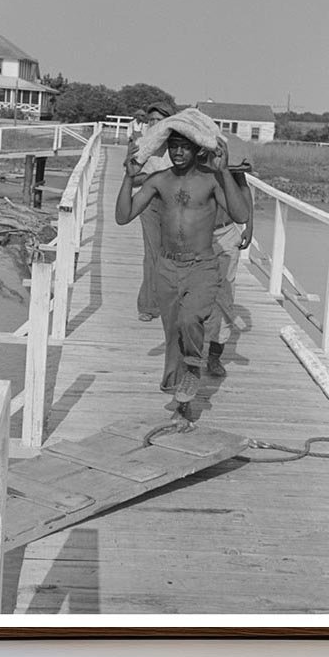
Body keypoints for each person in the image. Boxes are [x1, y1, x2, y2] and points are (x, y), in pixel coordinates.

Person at [115, 129, 250, 424]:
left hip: (201, 266)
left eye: (185, 147)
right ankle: (182, 403)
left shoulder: (211, 179)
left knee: (190, 320)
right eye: (173, 147)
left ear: (197, 149)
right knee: (173, 334)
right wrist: (128, 177)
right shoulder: (159, 180)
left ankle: (192, 368)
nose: (178, 153)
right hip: (167, 268)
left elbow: (240, 216)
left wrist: (224, 172)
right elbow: (123, 216)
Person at [204, 142, 254, 377]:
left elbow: (244, 189)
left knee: (224, 294)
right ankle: (186, 352)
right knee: (189, 292)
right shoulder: (190, 153)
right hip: (196, 234)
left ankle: (215, 354)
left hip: (226, 231)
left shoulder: (228, 153)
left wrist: (249, 226)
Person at [127, 100, 174, 321]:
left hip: (176, 205)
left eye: (160, 120)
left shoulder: (178, 145)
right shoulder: (142, 144)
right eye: (151, 120)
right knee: (153, 253)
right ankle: (147, 305)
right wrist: (155, 177)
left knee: (174, 254)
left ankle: (172, 302)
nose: (155, 124)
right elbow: (132, 178)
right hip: (150, 203)